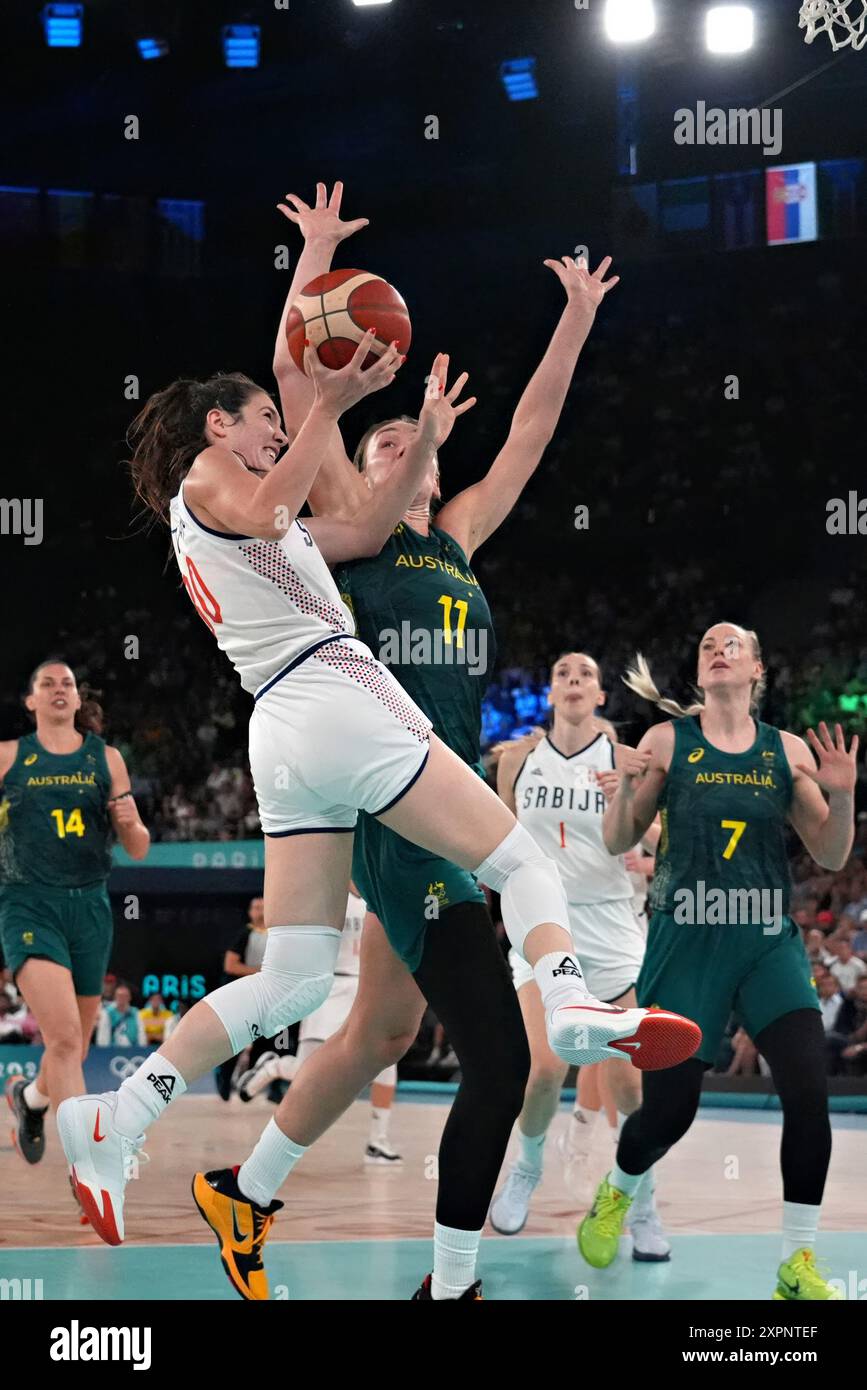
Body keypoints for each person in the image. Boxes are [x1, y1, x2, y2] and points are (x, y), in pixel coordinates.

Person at [58, 319, 695, 1260]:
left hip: (290, 723)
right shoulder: (227, 486)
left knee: (306, 982)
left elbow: (343, 507)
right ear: (221, 425)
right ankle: (568, 1005)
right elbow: (293, 479)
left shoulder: (342, 529)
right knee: (522, 860)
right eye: (265, 419)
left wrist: (386, 398)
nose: (281, 429)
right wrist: (329, 400)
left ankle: (123, 1115)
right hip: (343, 701)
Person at [187, 181, 696, 1302]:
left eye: (418, 433)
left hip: (446, 798)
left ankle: (247, 1189)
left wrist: (576, 317)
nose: (407, 441)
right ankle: (451, 1282)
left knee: (378, 1029)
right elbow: (291, 378)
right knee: (499, 1057)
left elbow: (534, 431)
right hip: (395, 804)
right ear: (359, 467)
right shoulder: (348, 538)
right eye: (388, 437)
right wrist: (314, 261)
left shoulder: (457, 534)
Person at [578, 622, 858, 1301]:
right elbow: (618, 838)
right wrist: (621, 789)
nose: (717, 649)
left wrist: (843, 793)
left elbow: (828, 854)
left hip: (764, 941)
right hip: (684, 940)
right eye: (706, 645)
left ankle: (796, 1265)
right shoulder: (666, 741)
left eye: (732, 644)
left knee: (807, 1090)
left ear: (757, 667)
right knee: (670, 1114)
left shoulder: (785, 751)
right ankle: (617, 1188)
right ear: (700, 675)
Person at [490, 654, 669, 1260]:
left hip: (613, 925)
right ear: (550, 692)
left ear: (598, 695)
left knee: (630, 1086)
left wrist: (638, 816)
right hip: (545, 921)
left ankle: (642, 1205)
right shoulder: (517, 758)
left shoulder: (625, 761)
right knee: (545, 1069)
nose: (573, 680)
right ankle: (527, 1167)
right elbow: (500, 838)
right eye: (563, 672)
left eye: (585, 675)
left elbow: (658, 839)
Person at [1, 661, 149, 1168]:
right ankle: (87, 1169)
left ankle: (30, 1099)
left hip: (89, 906)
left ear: (77, 700)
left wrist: (130, 822)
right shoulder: (7, 759)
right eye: (47, 683)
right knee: (63, 1038)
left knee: (75, 1049)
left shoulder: (105, 760)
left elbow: (138, 847)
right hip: (28, 903)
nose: (59, 690)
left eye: (66, 684)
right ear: (31, 701)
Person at [238, 884, 403, 1165]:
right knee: (308, 1071)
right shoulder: (329, 893)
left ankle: (378, 1142)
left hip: (368, 987)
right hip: (330, 986)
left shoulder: (380, 893)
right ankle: (274, 1067)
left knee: (387, 1063)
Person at [213, 895, 269, 1100]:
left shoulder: (276, 934)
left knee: (264, 1042)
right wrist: (258, 972)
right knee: (236, 1040)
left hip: (267, 998)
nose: (260, 911)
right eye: (256, 907)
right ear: (250, 912)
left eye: (264, 907)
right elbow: (230, 965)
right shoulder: (244, 934)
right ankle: (224, 1081)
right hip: (242, 996)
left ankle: (249, 1086)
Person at [96, 983, 146, 1048]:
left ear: (130, 997)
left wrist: (142, 1049)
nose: (122, 998)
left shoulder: (136, 1012)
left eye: (125, 996)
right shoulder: (107, 1013)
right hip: (112, 1051)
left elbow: (141, 1033)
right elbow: (103, 1036)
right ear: (115, 997)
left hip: (134, 1050)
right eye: (119, 996)